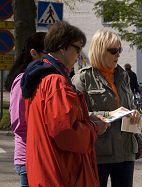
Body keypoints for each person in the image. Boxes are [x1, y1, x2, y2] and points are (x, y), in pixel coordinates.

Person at [20, 21, 108, 186]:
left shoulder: (38, 77)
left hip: (45, 171)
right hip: (61, 175)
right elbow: (67, 133)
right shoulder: (56, 82)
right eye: (77, 49)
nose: (79, 55)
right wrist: (95, 127)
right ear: (62, 47)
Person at [72, 29, 141, 187]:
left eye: (120, 50)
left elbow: (130, 105)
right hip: (99, 153)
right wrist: (108, 115)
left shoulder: (123, 76)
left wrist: (135, 113)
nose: (118, 54)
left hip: (125, 151)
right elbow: (76, 115)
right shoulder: (83, 78)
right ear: (99, 50)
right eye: (113, 50)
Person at [4, 32, 46, 187]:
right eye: (47, 54)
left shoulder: (46, 78)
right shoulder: (23, 80)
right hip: (28, 158)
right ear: (34, 53)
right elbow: (18, 123)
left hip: (43, 156)